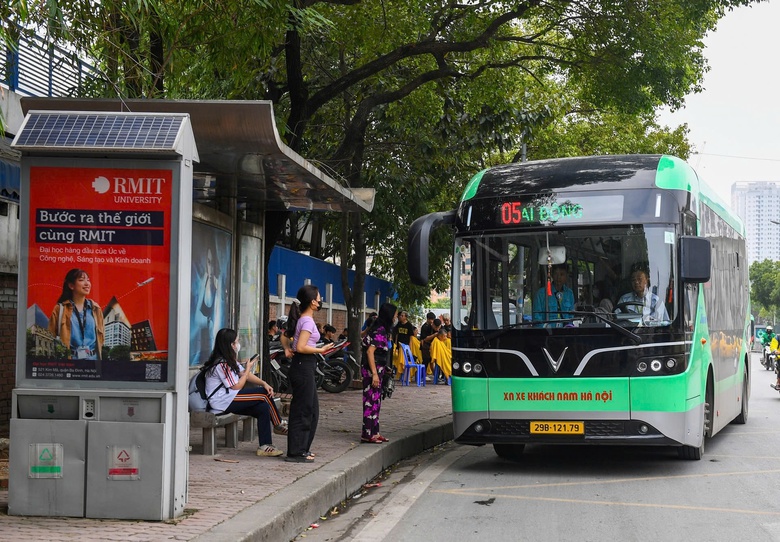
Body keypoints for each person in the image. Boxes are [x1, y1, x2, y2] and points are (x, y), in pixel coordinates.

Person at [203, 328, 286, 457]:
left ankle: (265, 446)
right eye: (237, 341)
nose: (238, 344)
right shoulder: (221, 364)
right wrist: (248, 370)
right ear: (231, 344)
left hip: (229, 398)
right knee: (263, 394)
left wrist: (264, 383)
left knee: (263, 407)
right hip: (222, 401)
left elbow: (243, 374)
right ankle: (278, 424)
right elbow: (237, 386)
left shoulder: (229, 360)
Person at [280, 285, 331, 463]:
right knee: (303, 410)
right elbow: (301, 347)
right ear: (312, 302)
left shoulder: (302, 319)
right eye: (319, 298)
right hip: (303, 365)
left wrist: (287, 348)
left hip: (304, 366)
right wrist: (321, 350)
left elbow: (285, 337)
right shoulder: (307, 321)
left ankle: (303, 448)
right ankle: (296, 452)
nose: (321, 300)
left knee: (311, 410)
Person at [361, 302, 397, 444]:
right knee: (370, 401)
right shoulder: (379, 330)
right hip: (372, 370)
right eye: (394, 315)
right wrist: (375, 374)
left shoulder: (382, 329)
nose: (395, 318)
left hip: (379, 369)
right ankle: (367, 433)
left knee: (376, 401)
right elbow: (370, 352)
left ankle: (375, 432)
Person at [49, 268, 105, 360]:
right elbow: (51, 337)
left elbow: (101, 338)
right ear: (71, 285)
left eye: (88, 280)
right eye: (81, 280)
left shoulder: (96, 309)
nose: (87, 283)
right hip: (70, 361)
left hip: (93, 361)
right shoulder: (60, 309)